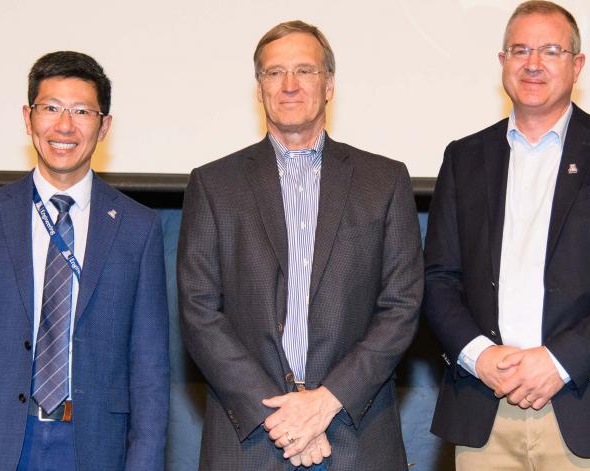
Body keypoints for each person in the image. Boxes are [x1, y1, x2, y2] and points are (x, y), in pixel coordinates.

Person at [424, 1, 590, 469]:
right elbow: (437, 278)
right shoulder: (463, 157)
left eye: (551, 51)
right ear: (502, 63)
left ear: (577, 65)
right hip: (485, 412)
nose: (533, 63)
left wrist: (557, 360)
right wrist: (480, 357)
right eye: (520, 50)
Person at [177, 20, 423, 470]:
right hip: (250, 436)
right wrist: (284, 417)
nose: (289, 85)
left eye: (305, 71)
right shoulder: (213, 185)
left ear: (328, 85)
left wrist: (325, 402)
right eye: (274, 73)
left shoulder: (383, 181)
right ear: (259, 88)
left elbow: (401, 305)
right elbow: (199, 312)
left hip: (355, 432)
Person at [0, 51, 169, 471]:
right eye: (50, 108)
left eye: (82, 111)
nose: (64, 126)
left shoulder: (137, 228)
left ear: (104, 126)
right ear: (28, 117)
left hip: (92, 447)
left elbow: (150, 371)